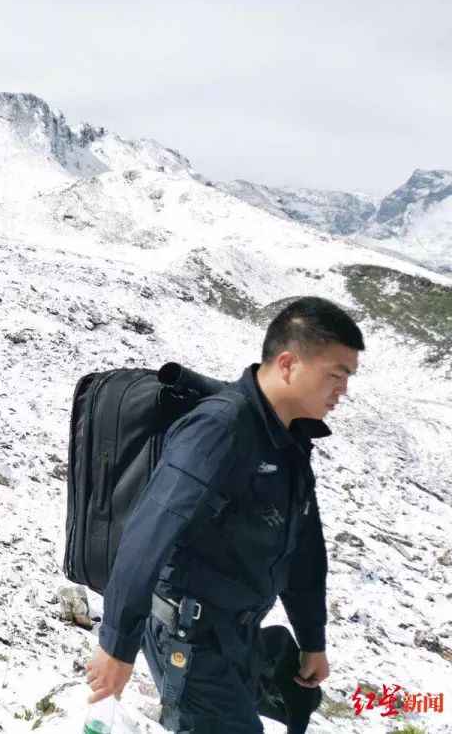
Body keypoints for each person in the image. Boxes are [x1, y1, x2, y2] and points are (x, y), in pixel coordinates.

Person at [86, 296, 363, 732]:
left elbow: (305, 550)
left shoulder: (289, 441)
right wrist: (116, 645)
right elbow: (148, 531)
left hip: (237, 631)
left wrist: (313, 639)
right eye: (336, 374)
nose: (343, 389)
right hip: (188, 635)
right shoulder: (221, 427)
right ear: (289, 363)